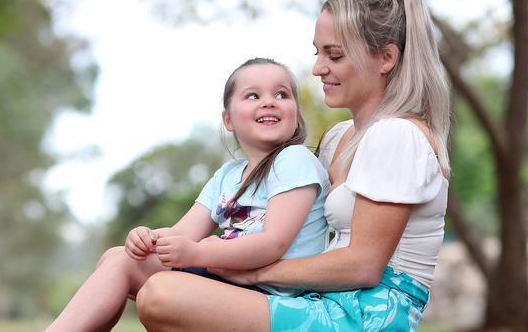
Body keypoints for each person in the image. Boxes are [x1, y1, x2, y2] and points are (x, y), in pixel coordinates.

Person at [135, 0, 451, 332]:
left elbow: (364, 266)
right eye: (318, 53)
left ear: (386, 58)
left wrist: (255, 272)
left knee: (162, 295)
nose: (318, 68)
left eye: (335, 55)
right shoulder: (339, 138)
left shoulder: (399, 136)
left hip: (368, 313)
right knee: (137, 270)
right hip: (320, 297)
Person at [45, 57, 331, 331]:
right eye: (253, 96)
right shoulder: (228, 175)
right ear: (228, 119)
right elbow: (182, 235)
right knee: (120, 259)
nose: (269, 101)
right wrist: (149, 238)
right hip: (229, 281)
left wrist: (198, 253)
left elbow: (273, 244)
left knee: (134, 268)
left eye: (282, 94)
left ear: (296, 114)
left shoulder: (294, 160)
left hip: (275, 297)